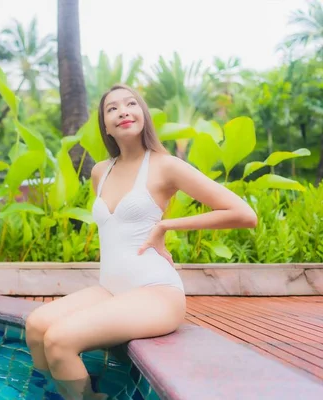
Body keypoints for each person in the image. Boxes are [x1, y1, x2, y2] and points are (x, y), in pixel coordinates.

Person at [24, 84, 258, 399]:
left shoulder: (165, 165)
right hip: (110, 288)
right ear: (105, 125)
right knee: (37, 326)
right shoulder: (100, 172)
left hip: (155, 293)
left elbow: (244, 214)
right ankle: (48, 393)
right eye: (112, 108)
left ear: (142, 114)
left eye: (130, 103)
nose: (122, 111)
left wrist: (166, 225)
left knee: (60, 341)